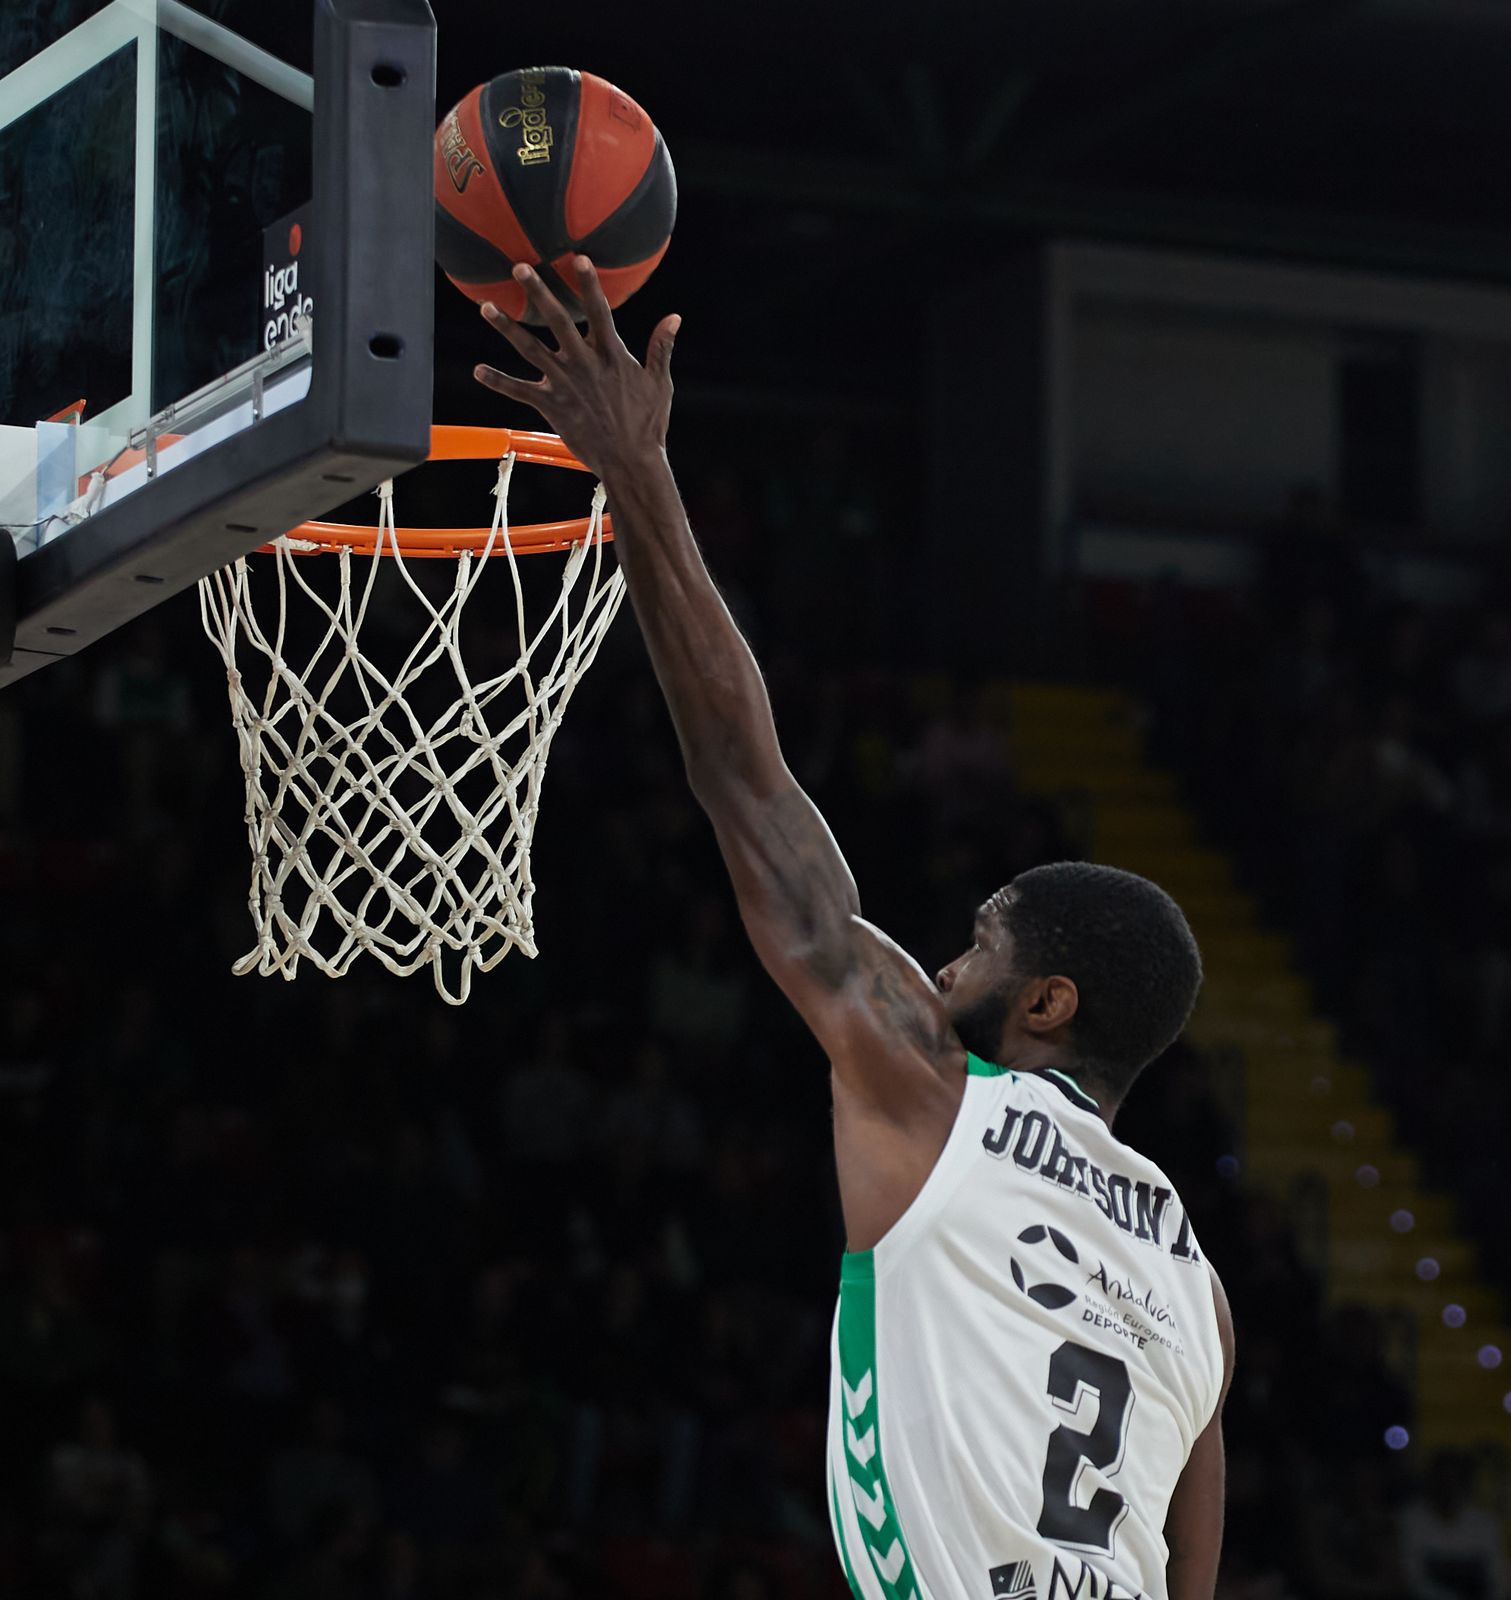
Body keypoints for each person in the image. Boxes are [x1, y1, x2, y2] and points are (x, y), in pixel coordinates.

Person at [474, 259, 1234, 1600]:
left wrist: (637, 472)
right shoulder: (1197, 1280)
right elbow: (1185, 1568)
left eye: (983, 941)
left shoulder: (939, 1093)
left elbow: (743, 780)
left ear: (1047, 1002)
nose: (944, 962)